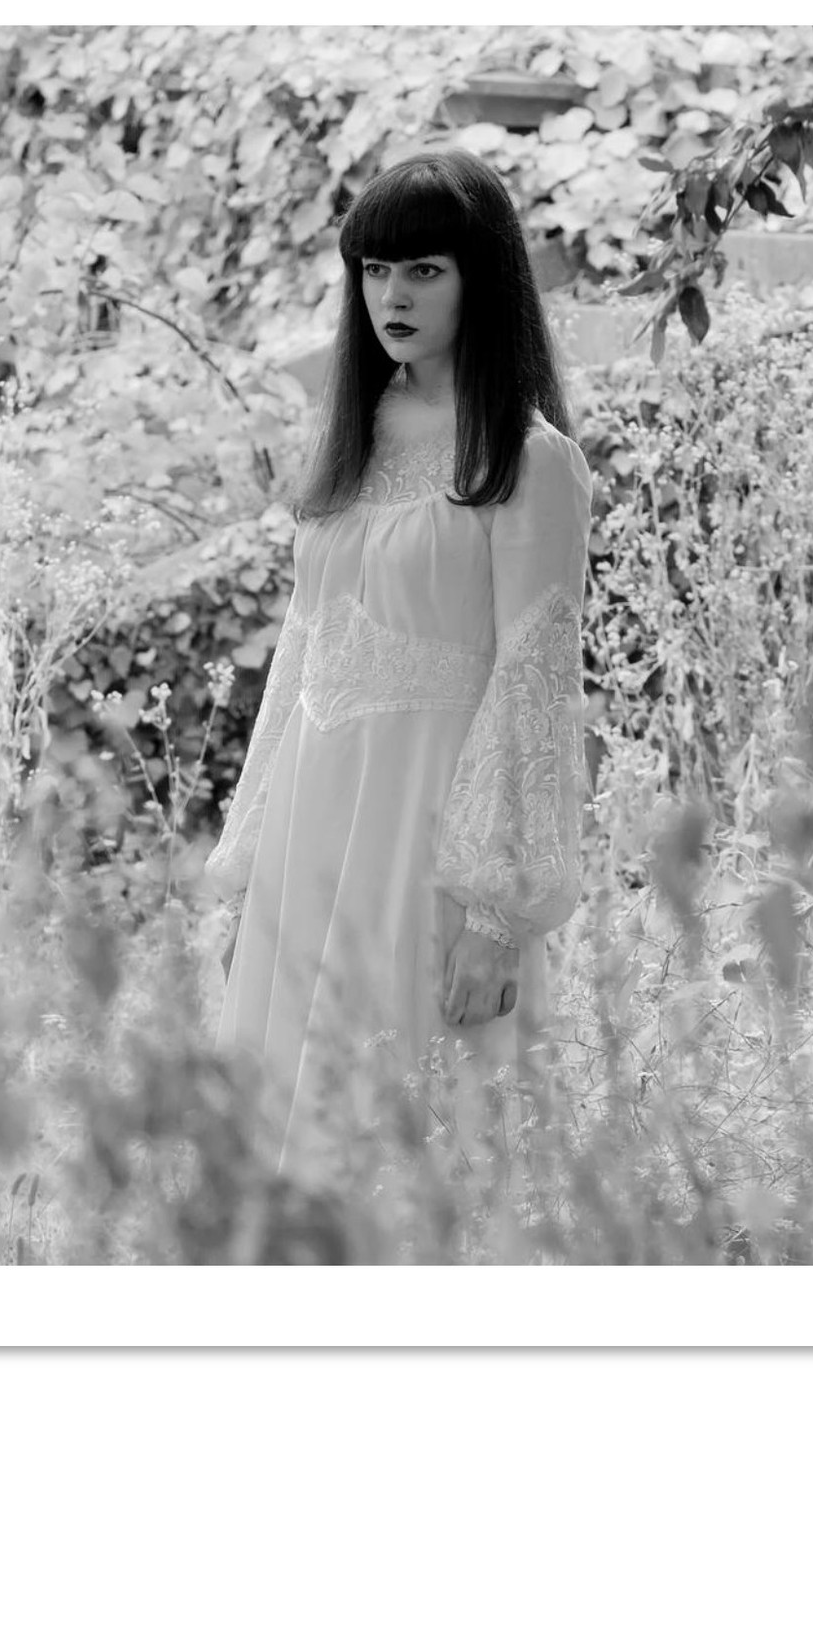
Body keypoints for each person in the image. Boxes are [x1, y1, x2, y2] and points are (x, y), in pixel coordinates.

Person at [203, 145, 596, 1182]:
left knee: (414, 1142)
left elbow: (535, 682)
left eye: (424, 269)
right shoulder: (350, 435)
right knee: (283, 1138)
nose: (393, 296)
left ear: (481, 278)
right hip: (311, 827)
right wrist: (249, 866)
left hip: (427, 839)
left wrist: (498, 915)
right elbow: (300, 655)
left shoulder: (528, 459)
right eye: (375, 270)